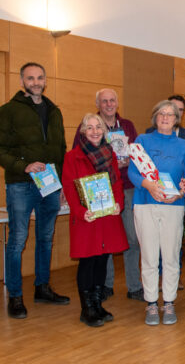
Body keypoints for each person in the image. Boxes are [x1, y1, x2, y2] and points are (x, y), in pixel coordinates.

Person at [0, 62, 70, 319]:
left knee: (46, 237)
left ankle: (42, 287)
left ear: (45, 80)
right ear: (22, 82)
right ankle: (15, 296)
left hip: (50, 186)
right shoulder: (7, 111)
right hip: (20, 184)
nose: (36, 82)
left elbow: (61, 149)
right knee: (17, 240)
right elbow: (1, 149)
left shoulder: (54, 111)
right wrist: (24, 166)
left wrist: (61, 183)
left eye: (40, 77)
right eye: (30, 78)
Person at [72, 88, 142, 302]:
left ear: (117, 103)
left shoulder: (127, 125)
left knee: (132, 237)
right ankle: (106, 284)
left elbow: (138, 153)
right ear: (98, 104)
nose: (109, 104)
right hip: (100, 190)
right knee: (105, 240)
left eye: (112, 100)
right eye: (104, 101)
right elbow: (78, 156)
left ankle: (134, 286)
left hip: (126, 186)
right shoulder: (88, 127)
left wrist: (129, 160)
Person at [128, 100, 185, 326]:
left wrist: (180, 193)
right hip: (145, 204)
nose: (166, 118)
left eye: (170, 114)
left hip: (173, 207)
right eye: (161, 114)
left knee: (171, 256)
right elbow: (133, 173)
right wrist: (149, 186)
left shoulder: (183, 146)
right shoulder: (142, 141)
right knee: (148, 256)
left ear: (176, 119)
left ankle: (169, 302)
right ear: (155, 117)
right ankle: (151, 304)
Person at [62, 113, 129, 327]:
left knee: (103, 259)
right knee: (88, 261)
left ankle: (98, 304)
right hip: (87, 218)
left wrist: (119, 203)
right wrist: (81, 212)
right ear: (83, 131)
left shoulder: (110, 153)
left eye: (98, 127)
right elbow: (70, 189)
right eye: (89, 127)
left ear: (104, 130)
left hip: (108, 216)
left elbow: (117, 183)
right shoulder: (72, 156)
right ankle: (87, 308)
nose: (94, 131)